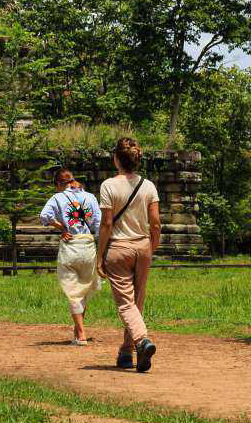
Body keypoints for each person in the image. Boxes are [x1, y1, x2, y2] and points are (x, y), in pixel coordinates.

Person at [95, 137, 159, 372]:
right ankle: (126, 352)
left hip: (119, 249)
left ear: (116, 159)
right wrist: (152, 246)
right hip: (143, 247)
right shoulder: (149, 186)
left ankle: (142, 340)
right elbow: (155, 223)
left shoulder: (109, 186)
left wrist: (99, 255)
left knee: (125, 303)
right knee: (136, 302)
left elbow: (106, 224)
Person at [39, 169, 103, 345]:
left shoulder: (57, 198)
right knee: (83, 288)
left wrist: (62, 227)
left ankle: (81, 334)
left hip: (70, 247)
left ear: (59, 184)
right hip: (88, 246)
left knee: (73, 291)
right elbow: (99, 224)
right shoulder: (90, 197)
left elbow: (44, 216)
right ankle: (77, 331)